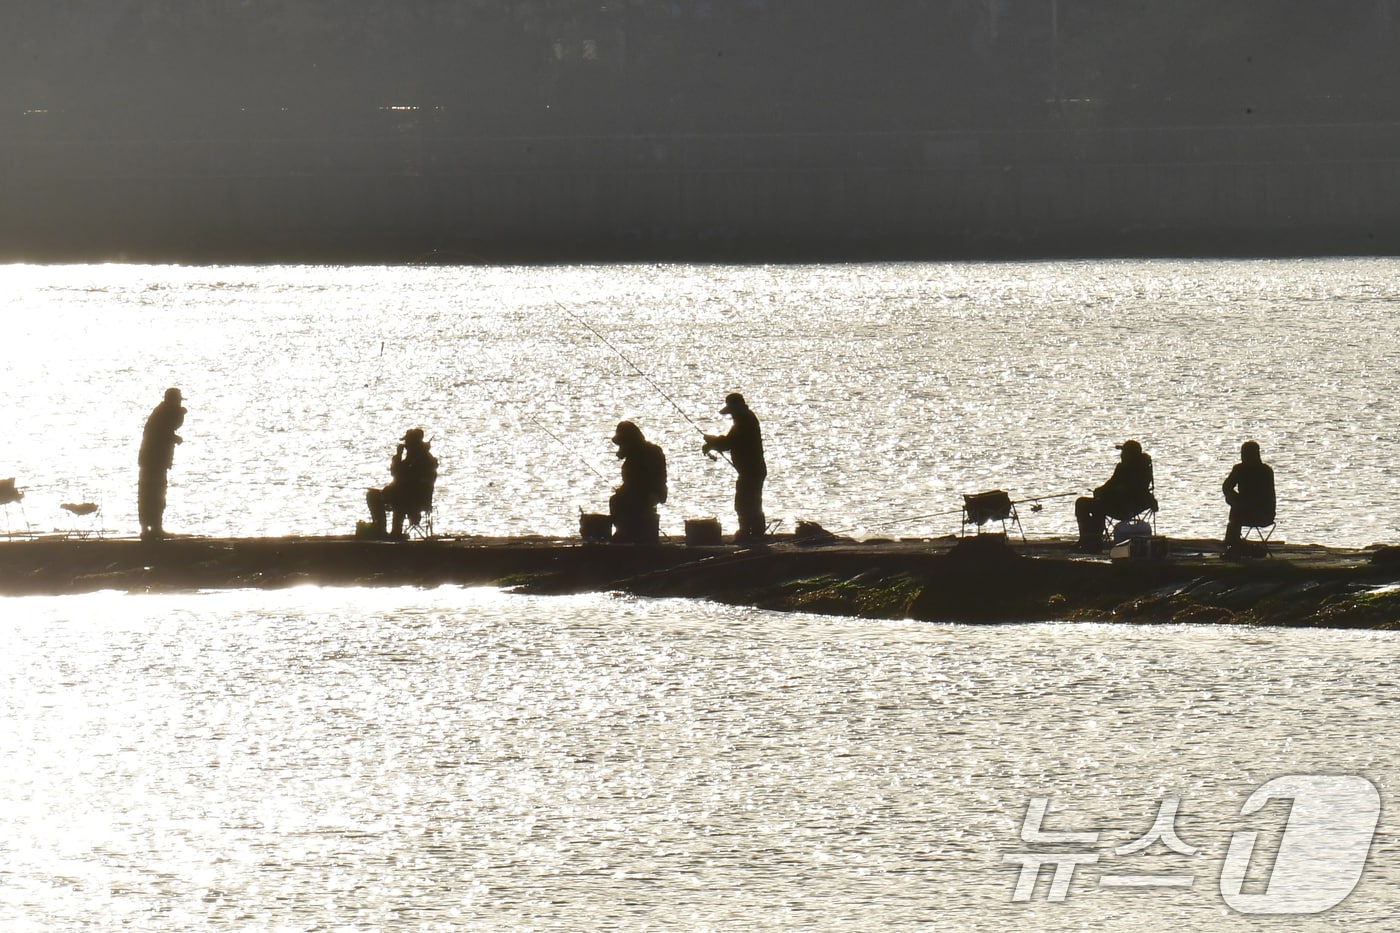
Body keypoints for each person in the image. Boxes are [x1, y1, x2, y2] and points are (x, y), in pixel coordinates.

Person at [703, 392, 768, 543]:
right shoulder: (743, 421)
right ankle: (754, 533)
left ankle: (751, 533)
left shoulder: (745, 422)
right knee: (750, 502)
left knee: (745, 502)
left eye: (732, 412)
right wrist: (712, 443)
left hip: (752, 471)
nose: (731, 416)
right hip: (751, 470)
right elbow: (730, 442)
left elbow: (730, 442)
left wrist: (712, 442)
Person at [1074, 439, 1156, 552]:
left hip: (1121, 508)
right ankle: (1092, 538)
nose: (1121, 455)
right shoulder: (1144, 468)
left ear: (1130, 454)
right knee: (1099, 503)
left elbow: (1113, 487)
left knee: (1083, 503)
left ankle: (1091, 539)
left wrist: (1099, 491)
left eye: (1124, 452)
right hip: (1135, 506)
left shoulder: (1124, 468)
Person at [366, 428, 438, 539]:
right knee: (383, 494)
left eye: (407, 442)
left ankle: (386, 531)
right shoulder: (419, 458)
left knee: (375, 496)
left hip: (409, 499)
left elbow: (398, 475)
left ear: (413, 443)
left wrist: (398, 455)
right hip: (416, 499)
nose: (405, 445)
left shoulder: (417, 460)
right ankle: (386, 531)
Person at [138, 387, 186, 540]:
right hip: (154, 462)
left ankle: (152, 528)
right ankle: (152, 528)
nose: (179, 403)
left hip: (152, 462)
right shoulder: (165, 414)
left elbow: (164, 431)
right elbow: (162, 434)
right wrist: (175, 438)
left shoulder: (161, 413)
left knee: (151, 494)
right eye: (178, 400)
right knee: (154, 494)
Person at [609, 420, 667, 544]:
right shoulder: (650, 450)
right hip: (654, 493)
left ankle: (626, 532)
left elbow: (637, 481)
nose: (621, 446)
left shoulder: (638, 456)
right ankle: (628, 531)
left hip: (646, 494)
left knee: (615, 501)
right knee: (620, 500)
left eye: (622, 443)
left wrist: (623, 491)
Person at [1222, 440, 1275, 552]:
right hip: (1243, 509)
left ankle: (1233, 542)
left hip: (1263, 513)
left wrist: (1242, 503)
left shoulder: (1265, 472)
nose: (1243, 457)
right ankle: (1233, 542)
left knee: (1238, 511)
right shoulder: (1239, 469)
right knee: (1235, 504)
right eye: (1243, 454)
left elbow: (1264, 497)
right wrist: (1232, 497)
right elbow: (1227, 486)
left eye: (1246, 454)